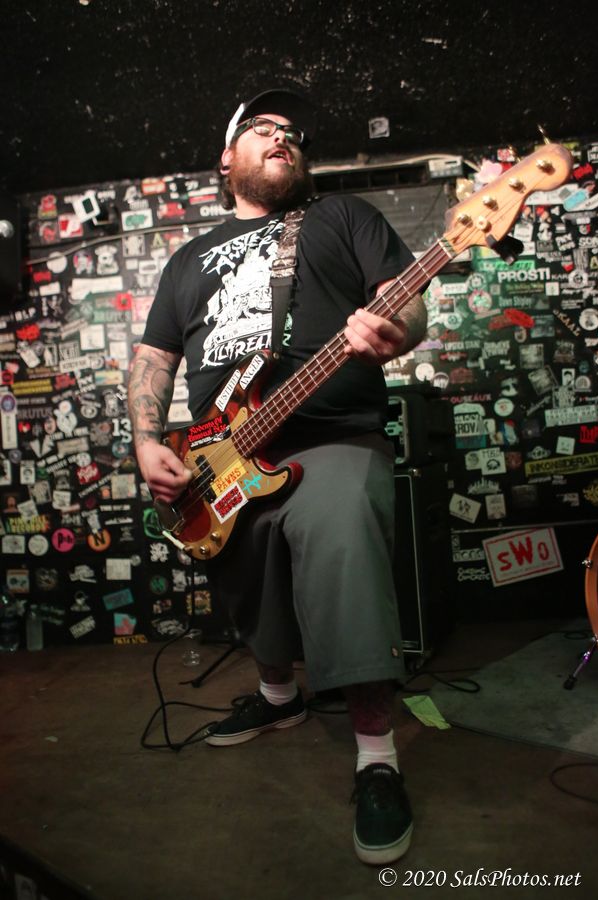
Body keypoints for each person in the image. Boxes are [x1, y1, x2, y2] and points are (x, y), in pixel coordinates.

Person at [128, 88, 427, 865]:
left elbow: (406, 303)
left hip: (332, 432)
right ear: (227, 157)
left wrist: (395, 328)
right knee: (241, 568)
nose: (283, 136)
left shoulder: (342, 218)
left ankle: (376, 759)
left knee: (342, 543)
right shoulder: (188, 260)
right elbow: (155, 356)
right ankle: (277, 698)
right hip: (222, 453)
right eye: (263, 128)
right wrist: (145, 439)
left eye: (293, 131)